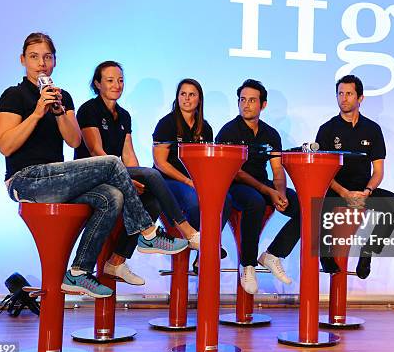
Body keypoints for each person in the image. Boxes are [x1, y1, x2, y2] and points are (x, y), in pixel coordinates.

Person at [0, 33, 188, 298]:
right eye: (34, 57)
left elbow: (74, 140)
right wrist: (37, 112)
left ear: (54, 62)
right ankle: (147, 232)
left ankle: (77, 272)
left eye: (47, 57)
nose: (41, 63)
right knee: (111, 163)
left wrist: (58, 111)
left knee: (113, 196)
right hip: (25, 179)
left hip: (56, 178)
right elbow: (5, 145)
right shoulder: (13, 95)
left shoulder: (62, 97)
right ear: (23, 60)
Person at [75, 61, 200, 285]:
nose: (117, 85)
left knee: (152, 200)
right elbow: (97, 153)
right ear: (97, 83)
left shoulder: (124, 115)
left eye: (120, 80)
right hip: (93, 177)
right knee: (153, 175)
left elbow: (129, 155)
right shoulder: (88, 109)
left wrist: (135, 181)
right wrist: (126, 180)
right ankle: (187, 231)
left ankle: (117, 261)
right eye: (110, 80)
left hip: (117, 175)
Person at [316, 74, 394, 279]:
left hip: (363, 189)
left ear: (360, 98)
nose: (343, 98)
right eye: (340, 94)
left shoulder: (372, 129)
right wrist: (344, 192)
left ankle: (368, 251)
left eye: (349, 94)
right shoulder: (327, 130)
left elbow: (379, 171)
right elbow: (321, 172)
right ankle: (325, 254)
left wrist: (367, 192)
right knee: (318, 203)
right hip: (335, 188)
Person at [216, 79, 299, 294]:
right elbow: (235, 171)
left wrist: (279, 192)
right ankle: (248, 265)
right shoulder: (228, 132)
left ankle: (273, 254)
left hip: (263, 184)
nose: (246, 104)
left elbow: (277, 169)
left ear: (263, 105)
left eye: (252, 100)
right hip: (234, 185)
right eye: (242, 100)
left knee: (305, 206)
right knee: (254, 202)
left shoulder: (271, 134)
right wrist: (267, 191)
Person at [153, 79, 231, 271]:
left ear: (199, 99)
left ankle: (203, 249)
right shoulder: (166, 123)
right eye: (183, 94)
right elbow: (159, 163)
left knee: (226, 199)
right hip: (167, 180)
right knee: (194, 200)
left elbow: (208, 162)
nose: (187, 99)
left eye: (192, 94)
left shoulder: (205, 127)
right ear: (177, 97)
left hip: (196, 181)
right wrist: (188, 181)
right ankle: (205, 244)